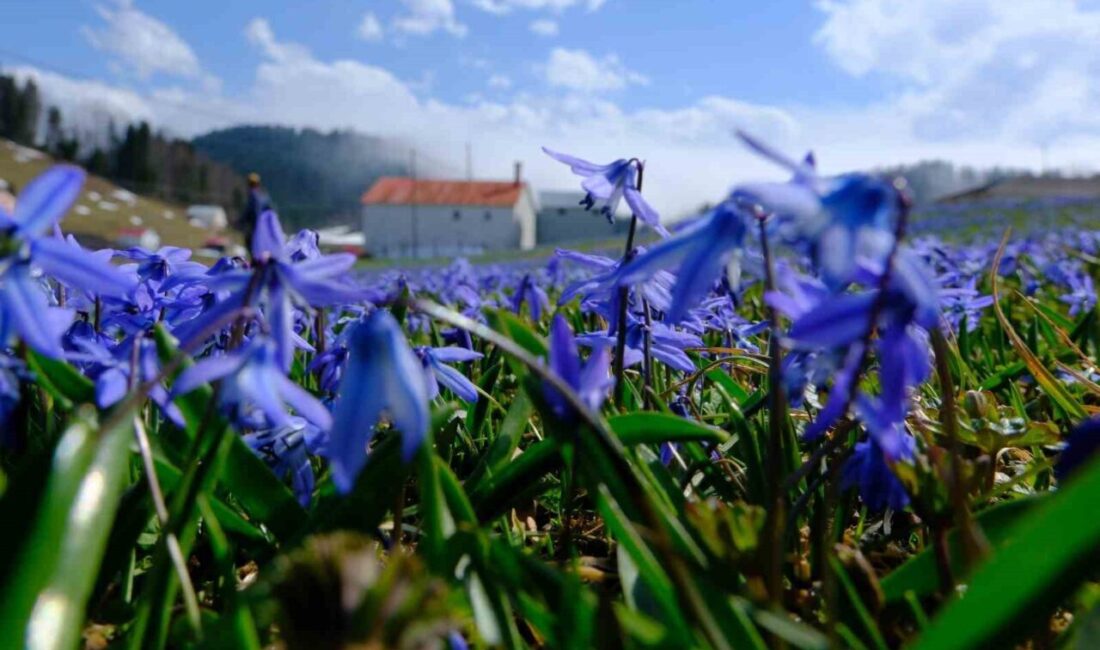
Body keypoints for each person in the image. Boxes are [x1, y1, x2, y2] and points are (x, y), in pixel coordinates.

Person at [240, 172, 271, 247]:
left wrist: (240, 222)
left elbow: (250, 211)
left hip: (255, 228)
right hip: (264, 228)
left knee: (252, 247)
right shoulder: (264, 195)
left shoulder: (253, 196)